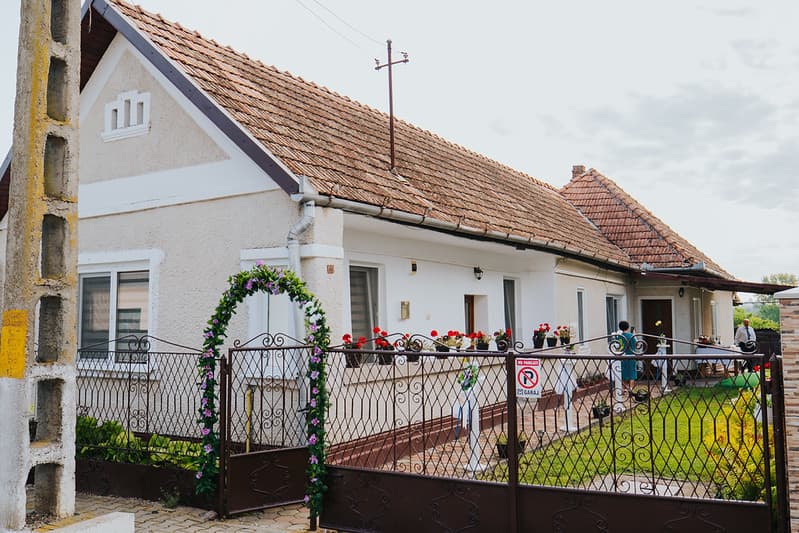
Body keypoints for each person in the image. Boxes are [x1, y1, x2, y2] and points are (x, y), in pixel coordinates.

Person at [619, 320, 637, 392]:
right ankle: (631, 389)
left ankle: (624, 388)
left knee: (623, 373)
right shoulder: (631, 336)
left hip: (622, 357)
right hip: (631, 356)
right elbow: (637, 344)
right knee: (632, 373)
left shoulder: (619, 336)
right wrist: (635, 335)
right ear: (628, 327)